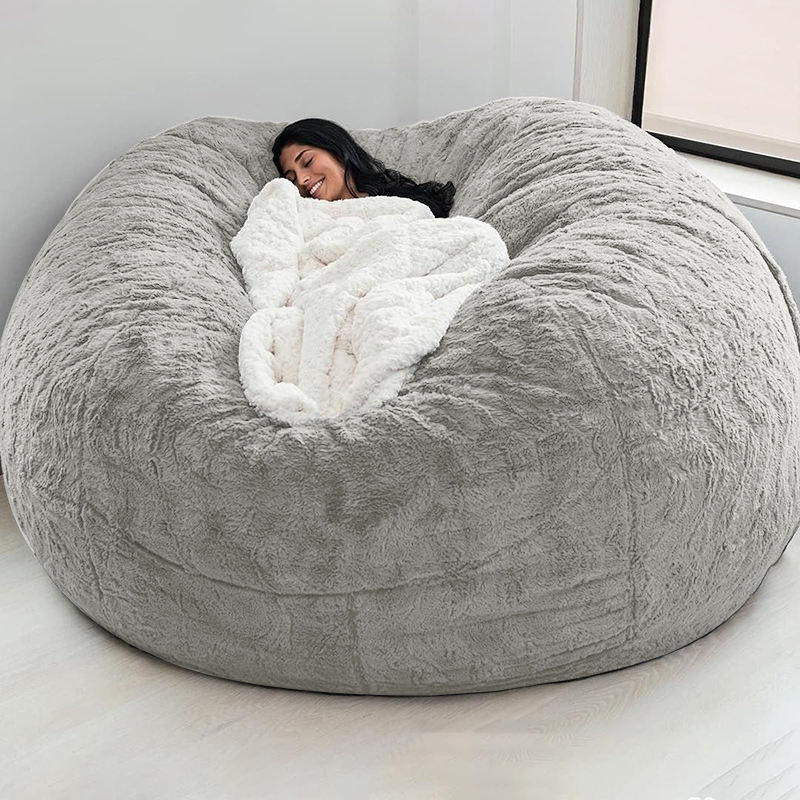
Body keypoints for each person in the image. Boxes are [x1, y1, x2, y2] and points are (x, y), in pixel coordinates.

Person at [272, 117, 456, 218]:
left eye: (307, 162)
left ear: (338, 151)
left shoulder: (403, 203)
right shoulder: (304, 219)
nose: (301, 180)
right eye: (292, 179)